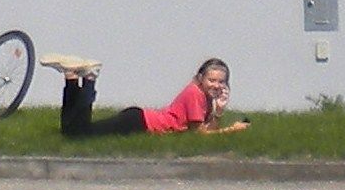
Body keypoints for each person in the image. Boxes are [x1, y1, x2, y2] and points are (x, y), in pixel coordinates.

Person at [52, 55, 246, 138]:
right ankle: (88, 78)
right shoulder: (195, 94)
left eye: (221, 82)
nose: (217, 85)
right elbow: (199, 135)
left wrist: (218, 111)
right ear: (200, 78)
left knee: (72, 132)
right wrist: (231, 130)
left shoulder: (203, 96)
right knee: (78, 134)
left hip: (140, 119)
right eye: (212, 80)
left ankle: (71, 76)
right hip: (139, 122)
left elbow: (205, 130)